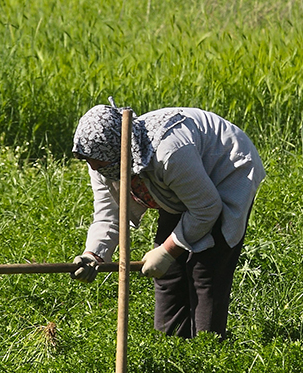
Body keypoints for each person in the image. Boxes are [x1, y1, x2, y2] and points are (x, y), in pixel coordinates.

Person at [69, 105, 265, 339]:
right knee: (169, 272)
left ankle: (207, 354)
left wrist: (169, 249)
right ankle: (171, 349)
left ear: (116, 152)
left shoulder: (168, 153)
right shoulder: (102, 158)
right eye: (89, 161)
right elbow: (109, 214)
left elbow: (206, 208)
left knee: (205, 269)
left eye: (97, 163)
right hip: (182, 186)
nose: (93, 167)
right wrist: (94, 255)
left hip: (225, 168)